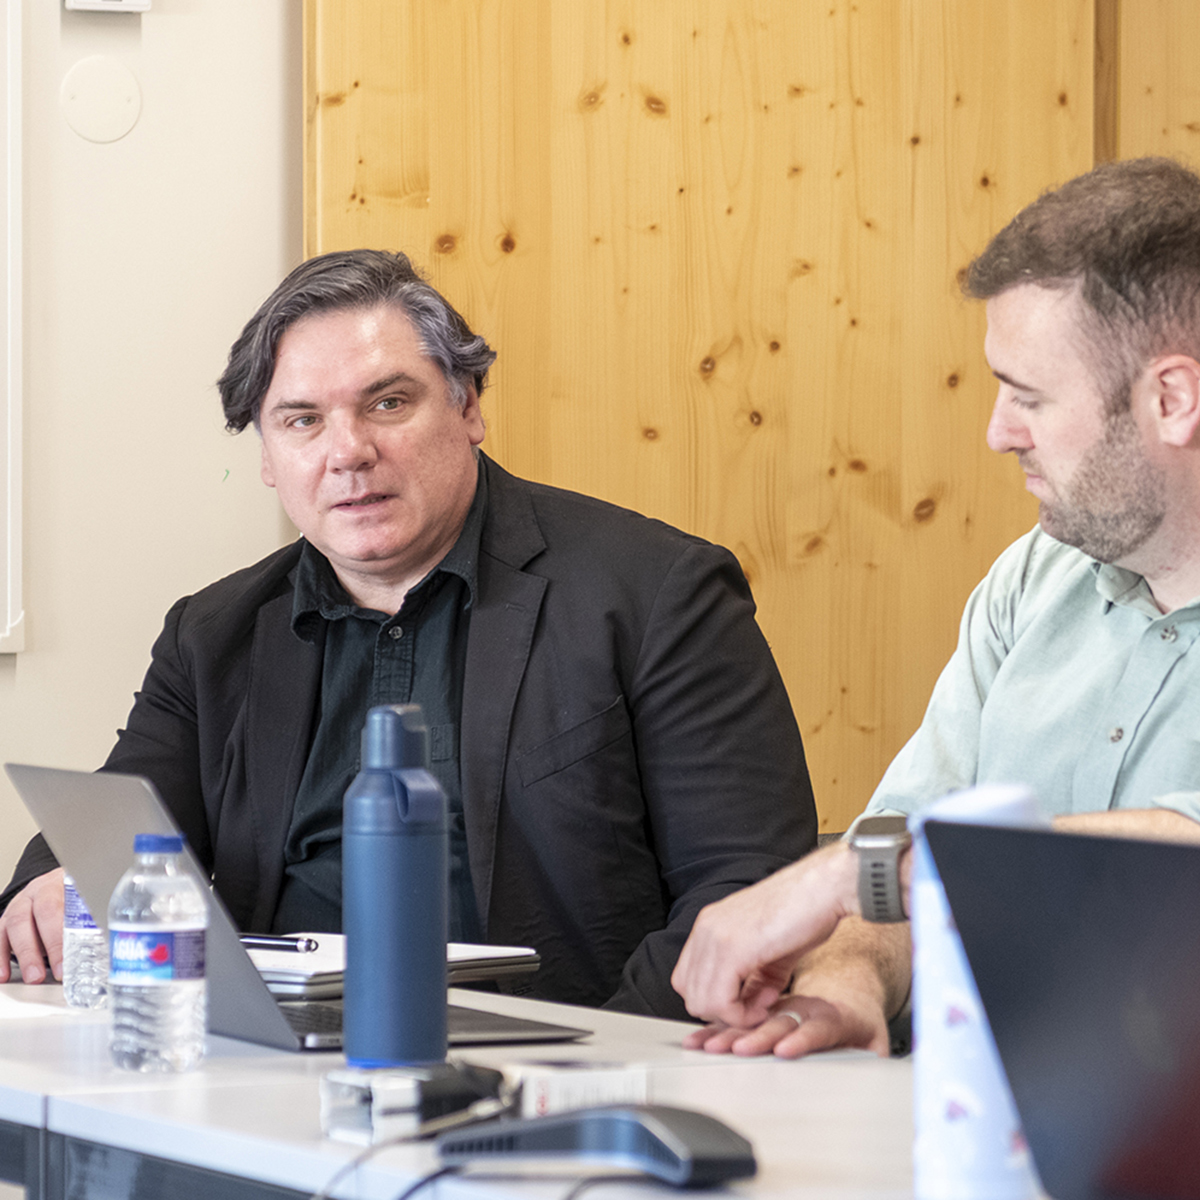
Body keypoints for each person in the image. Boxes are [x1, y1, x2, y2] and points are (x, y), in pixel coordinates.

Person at [671, 157, 1200, 1057]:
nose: (998, 431)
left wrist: (865, 871)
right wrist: (848, 982)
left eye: (1028, 396)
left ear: (1172, 399)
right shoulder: (1036, 578)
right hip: (994, 1111)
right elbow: (897, 864)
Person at [0, 250, 817, 1019]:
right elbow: (113, 837)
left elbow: (745, 887)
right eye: (302, 420)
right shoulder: (213, 635)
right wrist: (56, 882)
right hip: (276, 1071)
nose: (349, 452)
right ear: (268, 457)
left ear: (468, 407)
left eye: (388, 403)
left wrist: (593, 1068)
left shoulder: (656, 592)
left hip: (564, 1064)